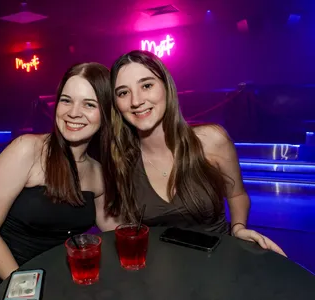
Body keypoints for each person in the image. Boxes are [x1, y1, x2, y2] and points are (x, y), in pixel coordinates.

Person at [106, 50, 286, 257]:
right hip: (159, 269)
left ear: (167, 87)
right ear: (116, 104)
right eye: (123, 92)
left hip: (217, 261)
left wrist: (238, 228)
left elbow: (237, 194)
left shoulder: (210, 140)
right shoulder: (121, 159)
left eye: (146, 85)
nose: (136, 101)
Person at [0, 62, 119, 300]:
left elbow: (116, 228)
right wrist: (26, 290)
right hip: (7, 279)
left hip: (58, 282)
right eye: (66, 100)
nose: (73, 112)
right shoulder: (28, 150)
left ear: (106, 113)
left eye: (89, 104)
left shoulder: (97, 172)